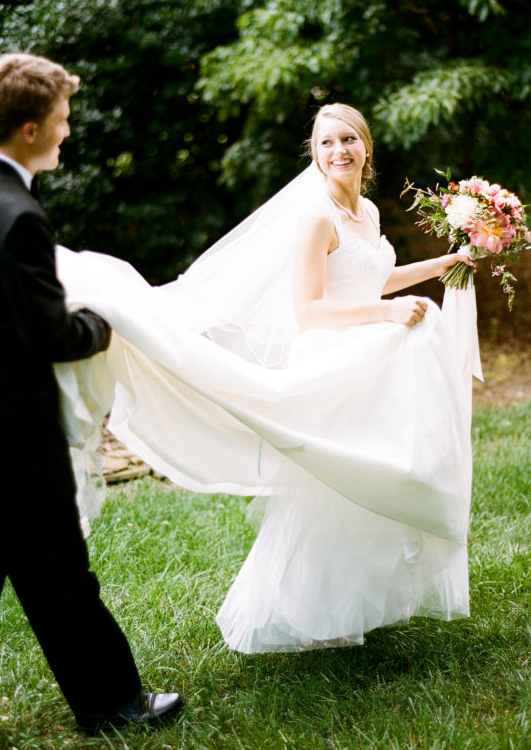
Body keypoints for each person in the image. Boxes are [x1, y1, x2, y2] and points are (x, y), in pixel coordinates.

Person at [54, 102, 482, 654]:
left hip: (367, 356)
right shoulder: (316, 217)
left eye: (348, 139)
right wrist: (388, 314)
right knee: (331, 488)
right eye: (326, 143)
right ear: (314, 153)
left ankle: (352, 606)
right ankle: (302, 614)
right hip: (332, 361)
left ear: (366, 147)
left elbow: (371, 278)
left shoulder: (368, 213)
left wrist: (444, 264)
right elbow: (309, 310)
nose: (339, 151)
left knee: (368, 483)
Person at [0, 53, 182, 750]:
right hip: (11, 446)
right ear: (33, 127)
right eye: (65, 120)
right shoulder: (17, 217)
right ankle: (114, 706)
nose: (70, 132)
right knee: (59, 580)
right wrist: (106, 320)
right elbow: (52, 335)